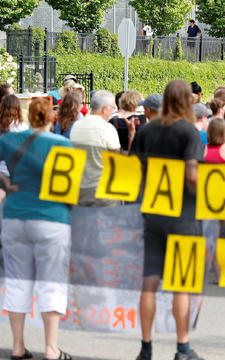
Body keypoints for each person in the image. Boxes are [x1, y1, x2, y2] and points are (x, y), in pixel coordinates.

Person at [130, 80, 204, 360]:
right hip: (183, 216)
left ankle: (146, 347)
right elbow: (193, 175)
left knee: (149, 280)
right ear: (187, 101)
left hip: (153, 212)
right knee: (181, 284)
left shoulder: (147, 130)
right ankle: (182, 347)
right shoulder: (189, 132)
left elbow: (132, 168)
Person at [1, 97, 73, 360]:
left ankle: (18, 347)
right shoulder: (63, 144)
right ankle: (51, 349)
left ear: (28, 116)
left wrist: (7, 185)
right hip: (52, 218)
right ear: (52, 118)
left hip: (14, 215)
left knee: (18, 281)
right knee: (51, 282)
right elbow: (71, 190)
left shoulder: (7, 141)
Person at [69, 90, 121, 207]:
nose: (113, 111)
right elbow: (116, 160)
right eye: (113, 107)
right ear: (105, 109)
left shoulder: (77, 125)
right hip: (102, 191)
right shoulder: (107, 128)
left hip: (79, 189)